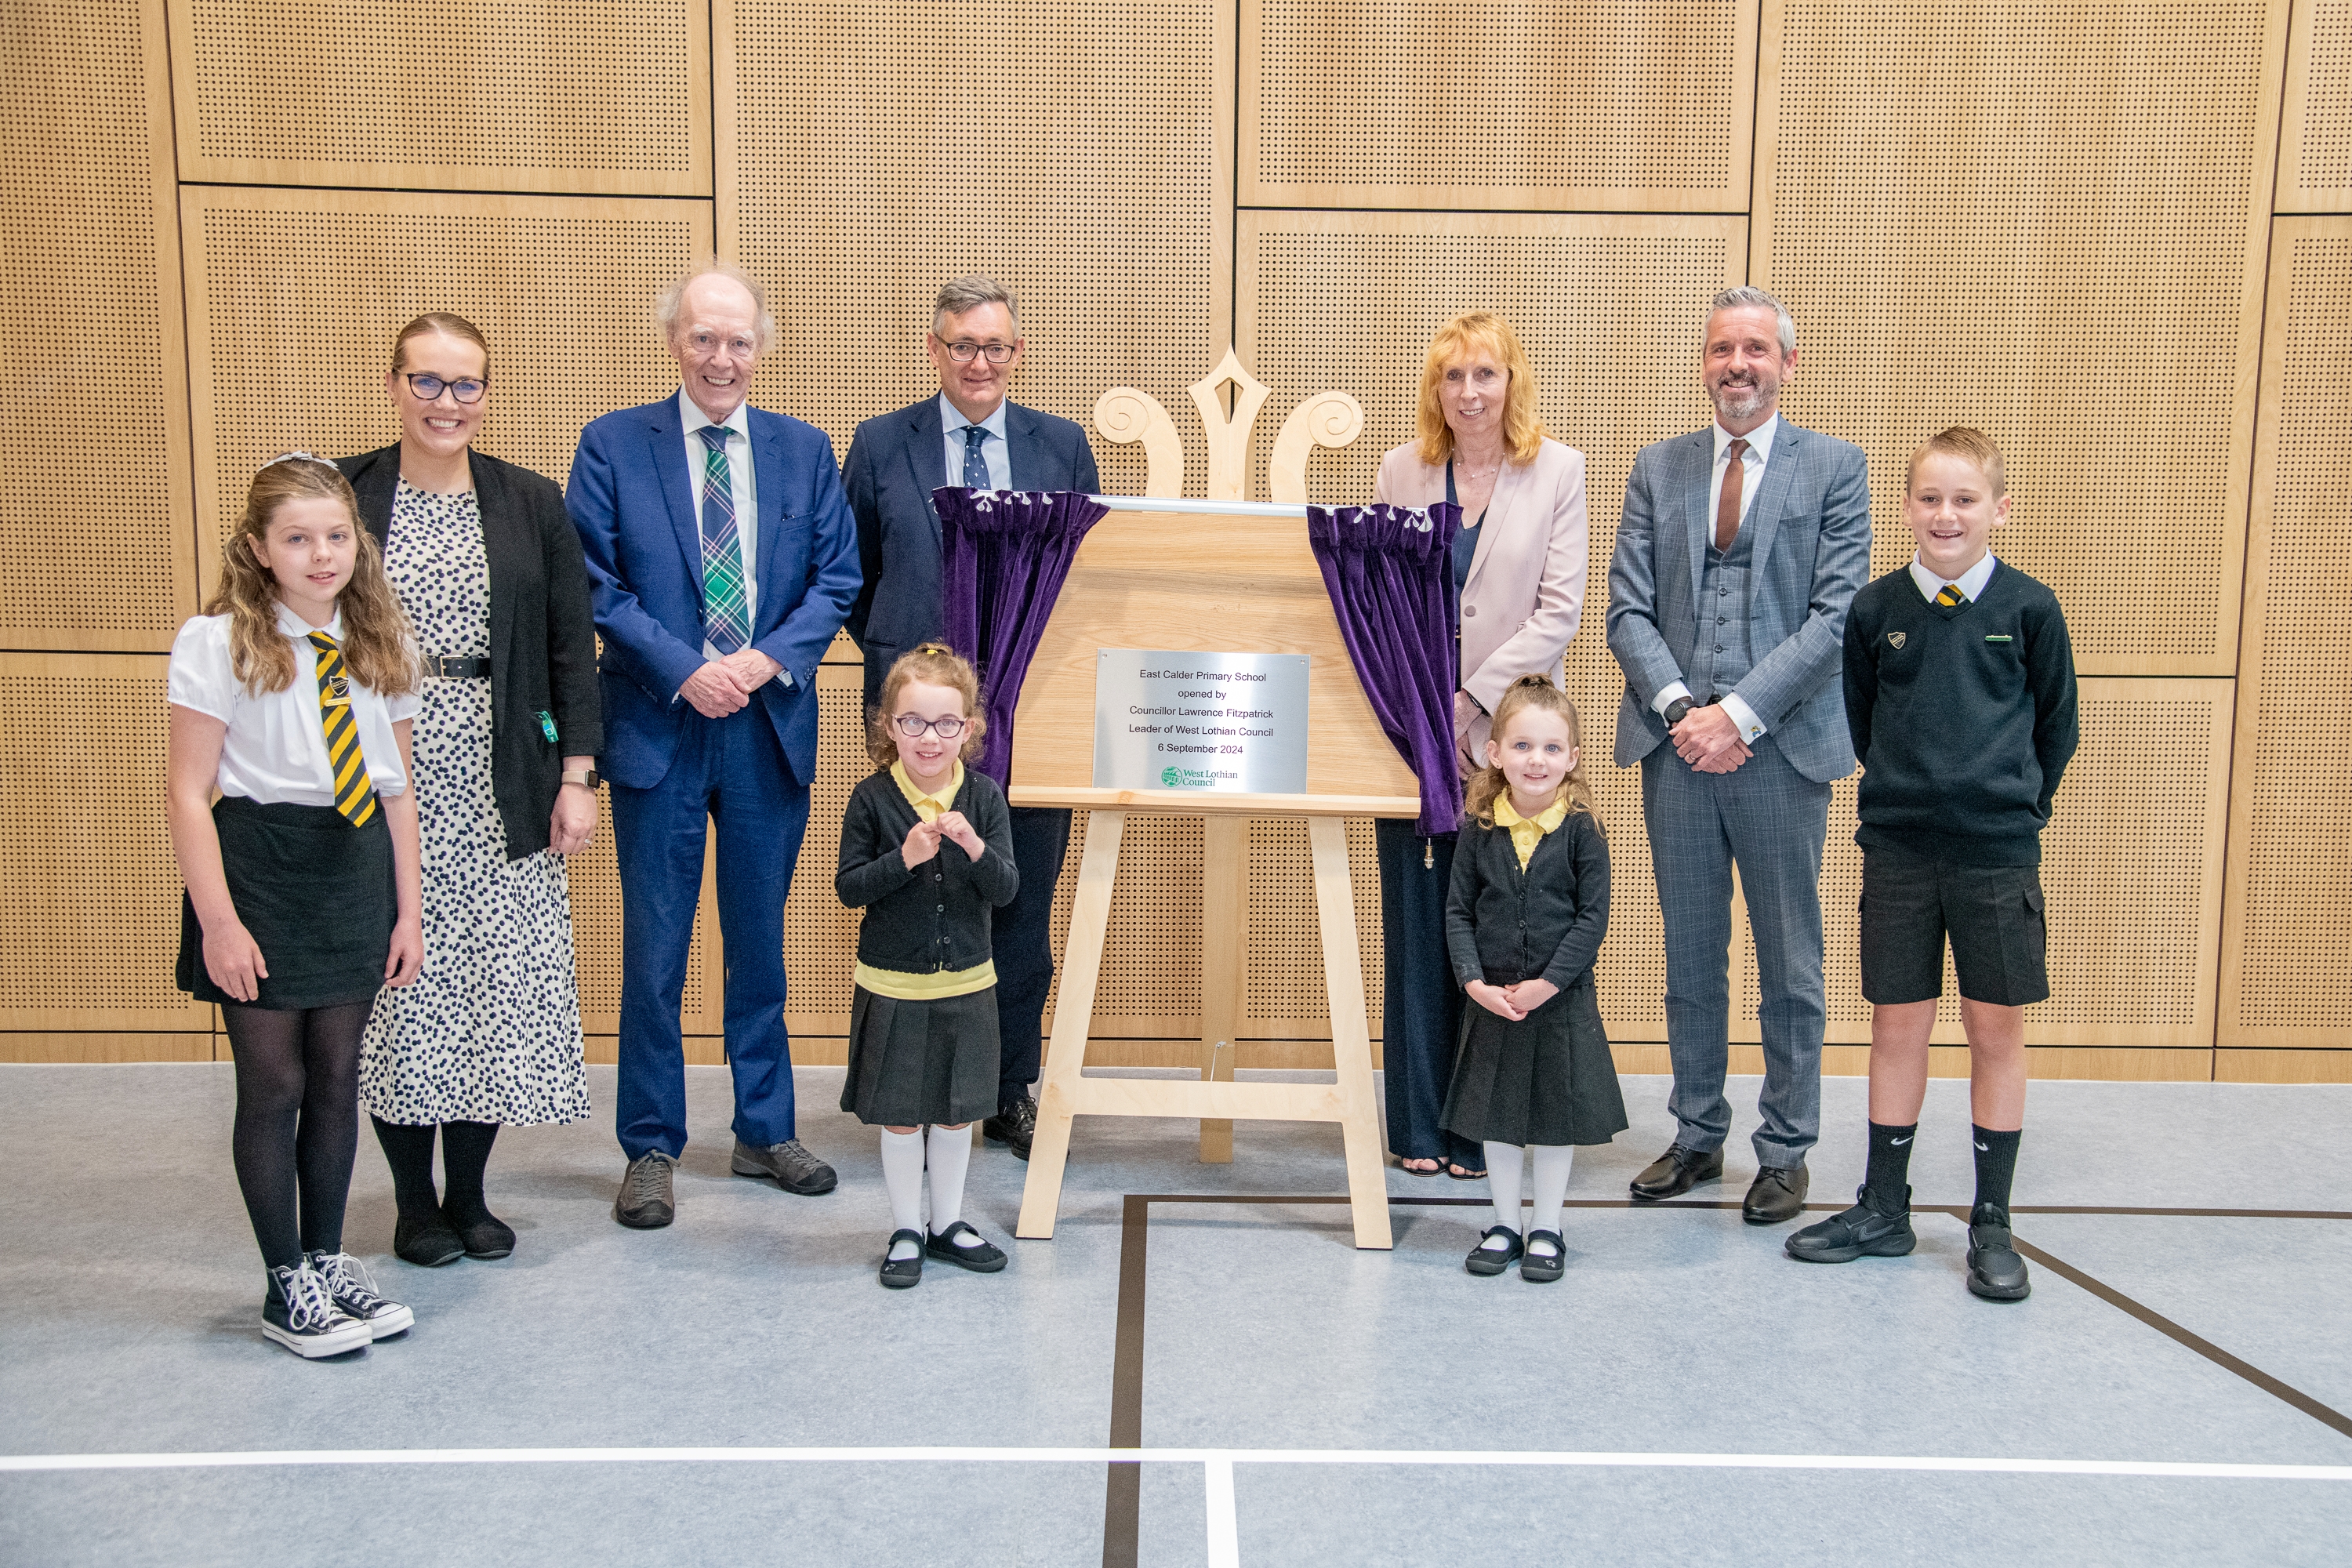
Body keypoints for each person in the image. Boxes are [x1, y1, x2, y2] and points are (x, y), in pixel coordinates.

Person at [568, 260, 862, 1229]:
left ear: (762, 347)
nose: (721, 356)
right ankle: (650, 1144)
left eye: (739, 339)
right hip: (659, 724)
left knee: (761, 945)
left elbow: (836, 579)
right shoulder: (613, 445)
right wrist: (685, 667)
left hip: (766, 728)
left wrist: (761, 662)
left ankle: (762, 1127)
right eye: (703, 336)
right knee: (655, 948)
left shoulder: (804, 451)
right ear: (673, 341)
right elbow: (596, 583)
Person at [337, 313, 604, 1269]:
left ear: (488, 395)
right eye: (429, 382)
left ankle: (472, 1194)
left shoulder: (530, 501)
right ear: (393, 382)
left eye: (467, 385)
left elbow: (573, 649)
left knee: (492, 987)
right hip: (374, 771)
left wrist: (578, 776)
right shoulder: (349, 492)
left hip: (505, 771)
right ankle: (414, 1202)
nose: (449, 402)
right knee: (401, 990)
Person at [1787, 428, 2077, 1298]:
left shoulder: (2030, 609)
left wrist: (2012, 808)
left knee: (1995, 1032)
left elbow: (2054, 730)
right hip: (1902, 851)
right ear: (1906, 507)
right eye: (1929, 499)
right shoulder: (1878, 612)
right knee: (1896, 1026)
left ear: (1999, 508)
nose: (1945, 515)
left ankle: (1992, 1220)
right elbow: (1864, 720)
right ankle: (1884, 1205)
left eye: (1964, 499)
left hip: (1995, 854)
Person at [1605, 285, 1871, 1225]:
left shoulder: (1836, 467)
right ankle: (1696, 1132)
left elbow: (1837, 616)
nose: (1737, 365)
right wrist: (1684, 708)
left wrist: (1741, 714)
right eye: (1722, 349)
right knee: (1689, 954)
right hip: (1674, 748)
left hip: (1783, 752)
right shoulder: (1659, 467)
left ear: (1786, 365)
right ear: (1704, 362)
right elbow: (1627, 609)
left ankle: (1787, 1146)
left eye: (1756, 349)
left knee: (1790, 957)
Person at [167, 456, 424, 1357]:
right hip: (261, 868)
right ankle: (284, 1280)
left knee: (337, 1074)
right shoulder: (218, 641)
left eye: (337, 535)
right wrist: (219, 920)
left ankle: (325, 1255)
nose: (322, 554)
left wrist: (408, 911)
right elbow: (190, 793)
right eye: (298, 538)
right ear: (258, 549)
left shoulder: (379, 639)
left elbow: (396, 792)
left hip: (352, 864)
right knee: (275, 1082)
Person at [841, 276, 1100, 1160]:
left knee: (1018, 908)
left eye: (995, 346)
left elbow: (1086, 583)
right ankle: (916, 1085)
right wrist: (917, 683)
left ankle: (1007, 1088)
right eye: (961, 345)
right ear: (934, 349)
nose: (979, 361)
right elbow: (857, 577)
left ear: (1017, 353)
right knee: (916, 902)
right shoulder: (880, 446)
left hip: (1035, 722)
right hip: (915, 730)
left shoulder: (1061, 448)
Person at [1370, 311, 1588, 1180]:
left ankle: (1479, 1130)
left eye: (1485, 374)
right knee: (1421, 930)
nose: (1469, 392)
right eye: (1453, 376)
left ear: (1512, 382)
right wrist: (1427, 712)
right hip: (1412, 740)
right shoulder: (1400, 470)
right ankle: (1421, 1124)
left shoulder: (1559, 470)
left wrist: (1472, 708)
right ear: (1437, 387)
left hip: (1510, 747)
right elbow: (1377, 601)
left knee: (1498, 932)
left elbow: (1559, 608)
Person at [834, 644, 1019, 1287]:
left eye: (946, 723)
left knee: (955, 1112)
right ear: (888, 726)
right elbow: (850, 888)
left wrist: (971, 846)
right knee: (902, 1113)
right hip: (892, 986)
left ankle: (947, 1223)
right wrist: (904, 858)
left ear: (969, 728)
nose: (930, 737)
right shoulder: (871, 800)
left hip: (970, 984)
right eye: (912, 721)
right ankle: (906, 1228)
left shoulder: (987, 798)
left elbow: (1006, 890)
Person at [1443, 675, 1624, 1281]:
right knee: (1498, 1118)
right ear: (1494, 752)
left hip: (1559, 1002)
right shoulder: (1478, 827)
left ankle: (1546, 1226)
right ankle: (1503, 1223)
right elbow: (1459, 912)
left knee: (1553, 1117)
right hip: (1492, 1001)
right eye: (1521, 746)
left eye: (1551, 748)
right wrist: (1474, 983)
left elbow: (1592, 918)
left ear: (1573, 757)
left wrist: (1549, 984)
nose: (1536, 760)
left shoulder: (1582, 830)